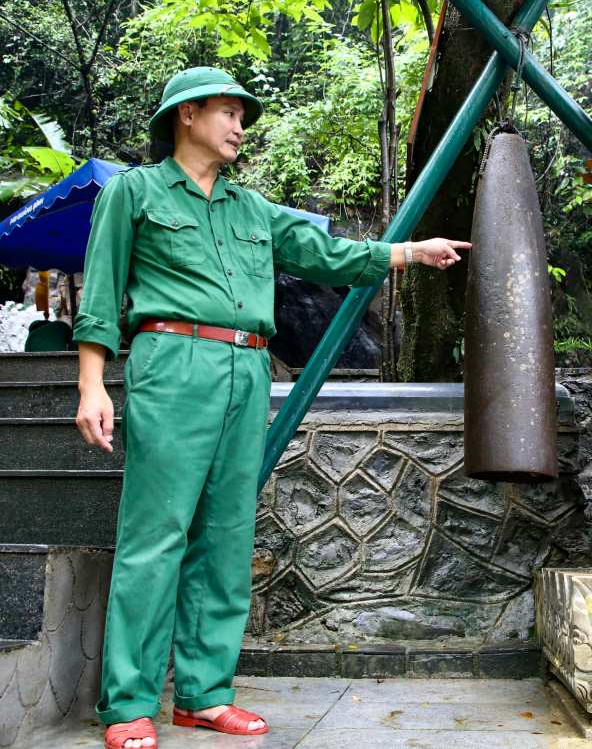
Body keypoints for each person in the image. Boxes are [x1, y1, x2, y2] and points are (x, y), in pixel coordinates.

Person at [73, 66, 470, 749]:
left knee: (225, 540)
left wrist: (408, 251)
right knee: (155, 537)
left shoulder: (251, 208)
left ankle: (203, 695)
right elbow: (103, 293)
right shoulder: (133, 193)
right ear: (185, 116)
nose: (238, 126)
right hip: (173, 363)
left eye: (241, 115)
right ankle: (129, 702)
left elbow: (328, 252)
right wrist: (91, 383)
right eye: (227, 112)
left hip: (247, 367)